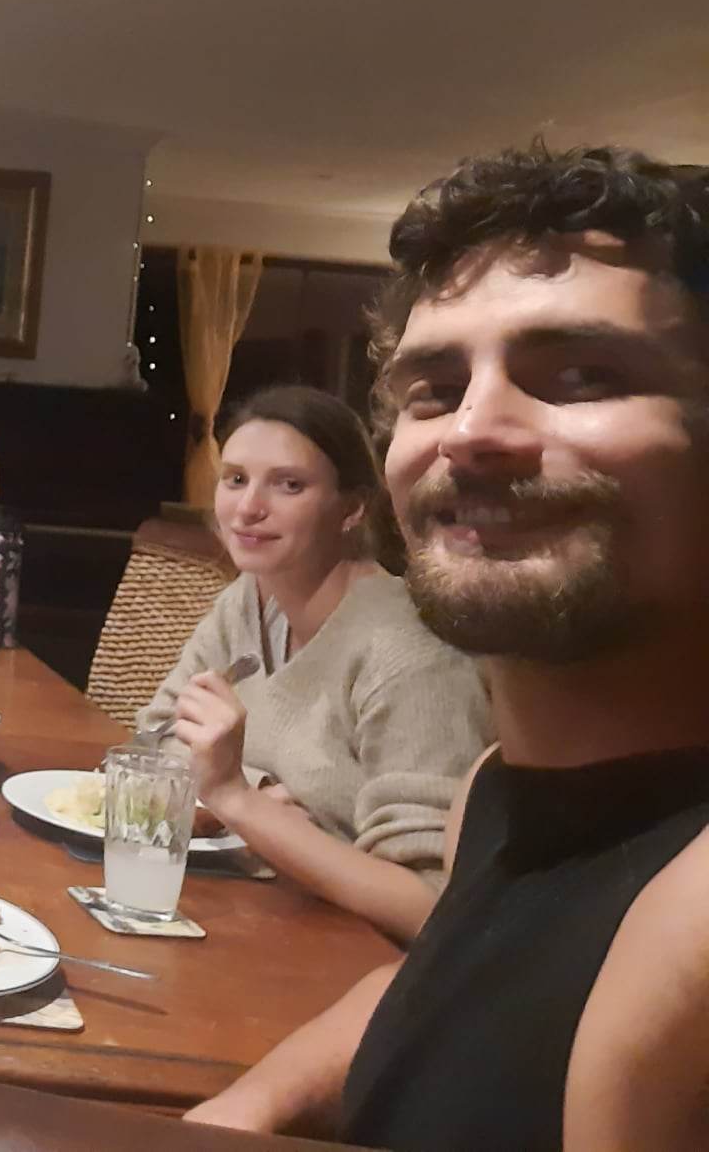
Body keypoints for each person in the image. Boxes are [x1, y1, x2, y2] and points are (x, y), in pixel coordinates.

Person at [187, 145, 709, 1151]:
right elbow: (433, 988)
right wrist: (239, 1113)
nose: (470, 430)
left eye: (583, 376)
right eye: (431, 389)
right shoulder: (494, 791)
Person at [136, 385, 491, 942]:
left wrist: (234, 797)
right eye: (235, 479)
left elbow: (432, 907)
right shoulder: (248, 602)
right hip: (260, 921)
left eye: (289, 485)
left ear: (353, 508)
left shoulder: (409, 653)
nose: (248, 508)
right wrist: (259, 794)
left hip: (363, 960)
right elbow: (154, 741)